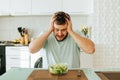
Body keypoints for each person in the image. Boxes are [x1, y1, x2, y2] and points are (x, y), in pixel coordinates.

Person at [29, 11, 95, 68]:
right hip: (50, 75)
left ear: (69, 26)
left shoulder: (75, 34)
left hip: (72, 75)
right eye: (57, 29)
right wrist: (50, 30)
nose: (60, 34)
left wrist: (71, 31)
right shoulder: (46, 34)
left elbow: (91, 49)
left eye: (63, 30)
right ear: (52, 26)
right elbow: (31, 50)